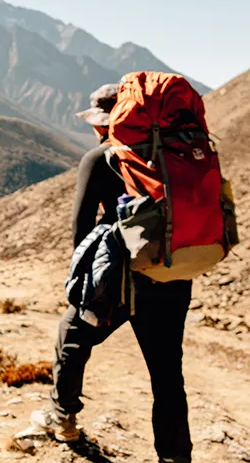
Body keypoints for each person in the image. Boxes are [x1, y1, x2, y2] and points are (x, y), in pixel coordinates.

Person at [29, 83, 194, 463]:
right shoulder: (172, 154)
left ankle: (63, 417)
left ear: (105, 121)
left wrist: (84, 282)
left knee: (72, 336)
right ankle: (175, 458)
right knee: (168, 376)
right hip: (174, 276)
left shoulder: (101, 158)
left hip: (120, 282)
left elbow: (81, 228)